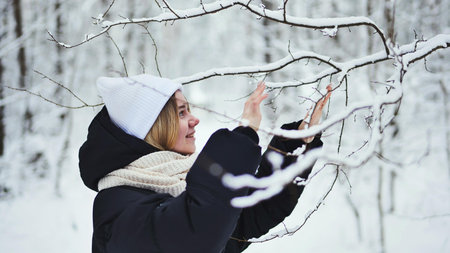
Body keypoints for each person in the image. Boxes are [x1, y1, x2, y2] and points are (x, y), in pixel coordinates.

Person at [78, 74, 328, 253]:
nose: (194, 120)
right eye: (181, 113)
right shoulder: (117, 207)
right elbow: (195, 231)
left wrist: (296, 144)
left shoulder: (176, 187)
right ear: (151, 128)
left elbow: (249, 214)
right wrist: (243, 136)